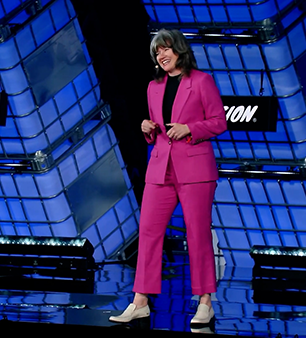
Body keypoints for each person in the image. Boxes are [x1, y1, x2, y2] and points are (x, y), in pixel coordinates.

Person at [109, 28, 227, 325]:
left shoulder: (201, 81)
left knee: (198, 235)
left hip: (195, 170)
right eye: (157, 52)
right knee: (148, 231)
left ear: (179, 50)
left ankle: (205, 302)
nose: (161, 55)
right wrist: (148, 130)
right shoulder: (153, 86)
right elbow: (160, 133)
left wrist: (191, 129)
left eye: (165, 49)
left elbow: (218, 122)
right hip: (160, 168)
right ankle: (140, 301)